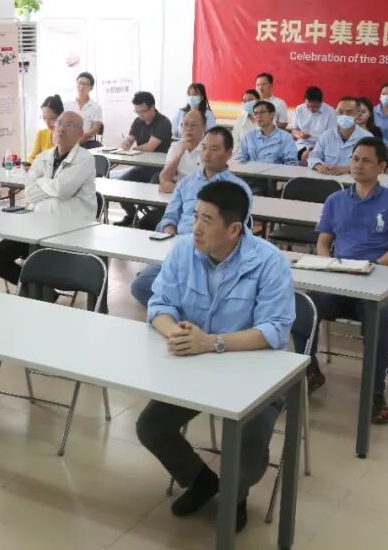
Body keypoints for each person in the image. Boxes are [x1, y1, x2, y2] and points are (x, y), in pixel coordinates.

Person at [136, 181, 294, 528]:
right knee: (150, 426)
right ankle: (201, 481)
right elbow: (160, 304)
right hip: (196, 363)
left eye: (206, 220)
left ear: (234, 229)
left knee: (246, 445)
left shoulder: (269, 262)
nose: (195, 227)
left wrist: (211, 343)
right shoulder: (183, 251)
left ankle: (236, 495)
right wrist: (175, 333)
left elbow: (273, 331)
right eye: (195, 216)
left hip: (254, 373)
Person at [293, 137, 388, 424]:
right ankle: (310, 371)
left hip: (376, 283)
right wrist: (328, 264)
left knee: (378, 315)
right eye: (355, 159)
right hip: (339, 281)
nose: (358, 165)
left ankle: (375, 392)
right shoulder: (336, 200)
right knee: (301, 305)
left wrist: (371, 267)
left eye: (366, 160)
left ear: (382, 167)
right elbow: (323, 242)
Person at [130, 127, 253, 307]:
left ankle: (186, 306)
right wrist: (170, 232)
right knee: (141, 286)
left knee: (196, 289)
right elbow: (170, 216)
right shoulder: (186, 183)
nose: (206, 154)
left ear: (228, 154)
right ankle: (189, 308)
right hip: (181, 248)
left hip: (213, 254)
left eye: (214, 149)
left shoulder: (238, 190)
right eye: (204, 148)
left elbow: (236, 234)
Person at [0, 111, 96, 285]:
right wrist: (51, 185)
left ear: (80, 133)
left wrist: (41, 181)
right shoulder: (43, 157)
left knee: (39, 264)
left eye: (69, 125)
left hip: (70, 229)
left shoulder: (85, 158)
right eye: (59, 123)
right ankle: (40, 293)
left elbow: (61, 190)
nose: (61, 129)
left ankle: (39, 291)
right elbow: (30, 193)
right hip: (38, 226)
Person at [114, 91, 174, 226]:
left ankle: (152, 220)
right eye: (137, 112)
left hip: (161, 169)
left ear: (152, 107)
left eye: (143, 111)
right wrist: (126, 143)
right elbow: (130, 139)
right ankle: (131, 215)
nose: (141, 115)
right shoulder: (138, 121)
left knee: (153, 185)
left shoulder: (163, 122)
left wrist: (133, 148)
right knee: (121, 183)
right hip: (143, 166)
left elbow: (150, 147)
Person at [236, 100, 299, 196]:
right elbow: (241, 157)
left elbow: (291, 163)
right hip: (250, 177)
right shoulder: (249, 136)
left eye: (262, 112)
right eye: (255, 113)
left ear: (272, 115)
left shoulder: (285, 137)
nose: (258, 116)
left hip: (272, 180)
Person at [308, 96, 374, 175]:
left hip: (354, 180)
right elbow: (313, 156)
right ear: (336, 113)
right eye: (340, 111)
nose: (344, 115)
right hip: (328, 178)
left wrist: (348, 169)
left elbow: (371, 163)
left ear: (358, 114)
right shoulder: (326, 135)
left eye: (349, 112)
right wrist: (319, 165)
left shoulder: (367, 138)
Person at [289, 86, 338, 160]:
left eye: (315, 106)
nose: (311, 109)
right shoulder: (299, 109)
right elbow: (294, 130)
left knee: (313, 158)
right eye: (308, 106)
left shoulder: (330, 112)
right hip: (301, 146)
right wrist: (300, 135)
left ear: (321, 102)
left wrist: (311, 150)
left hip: (322, 147)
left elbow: (331, 138)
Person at [64, 72, 104, 144]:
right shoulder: (66, 105)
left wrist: (82, 137)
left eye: (85, 84)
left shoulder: (96, 107)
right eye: (79, 83)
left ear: (91, 88)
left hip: (87, 142)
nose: (82, 86)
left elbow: (95, 129)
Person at [28, 94, 64, 163]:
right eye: (44, 118)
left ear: (62, 115)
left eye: (52, 118)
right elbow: (32, 158)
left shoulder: (70, 136)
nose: (47, 123)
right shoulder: (41, 134)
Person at [231, 89, 260, 157]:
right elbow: (235, 141)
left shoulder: (267, 119)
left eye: (250, 100)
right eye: (244, 101)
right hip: (242, 158)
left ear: (258, 100)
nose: (247, 103)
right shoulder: (240, 119)